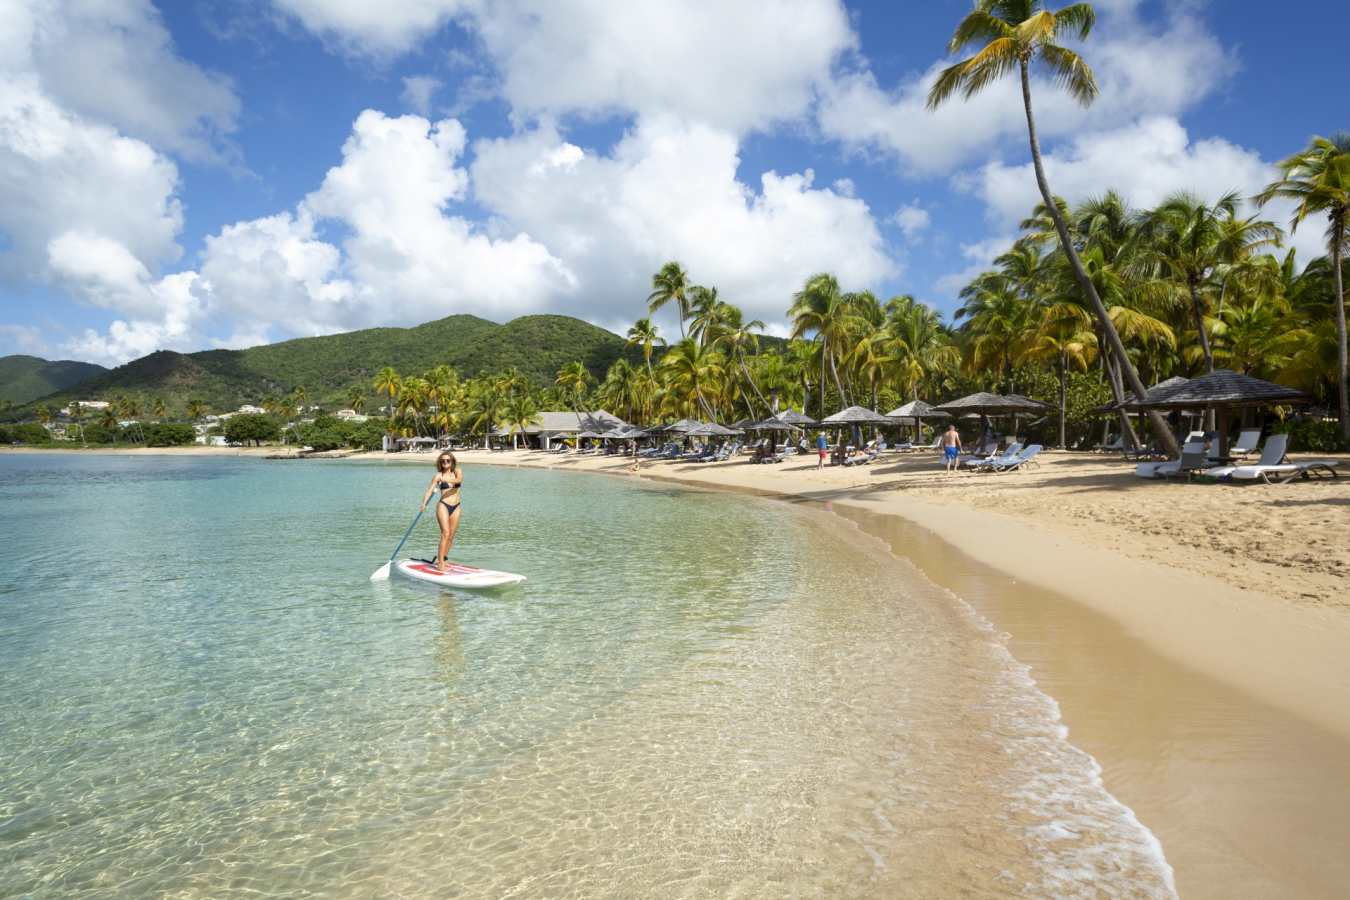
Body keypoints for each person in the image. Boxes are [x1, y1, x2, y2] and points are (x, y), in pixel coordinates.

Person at [420, 451, 463, 572]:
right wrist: (423, 503)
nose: (445, 462)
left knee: (451, 537)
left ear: (452, 462)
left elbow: (460, 480)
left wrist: (445, 479)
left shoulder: (457, 471)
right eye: (443, 461)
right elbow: (429, 490)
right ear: (440, 462)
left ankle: (443, 556)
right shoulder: (437, 476)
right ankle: (441, 562)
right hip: (443, 505)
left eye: (448, 460)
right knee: (445, 533)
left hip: (456, 506)